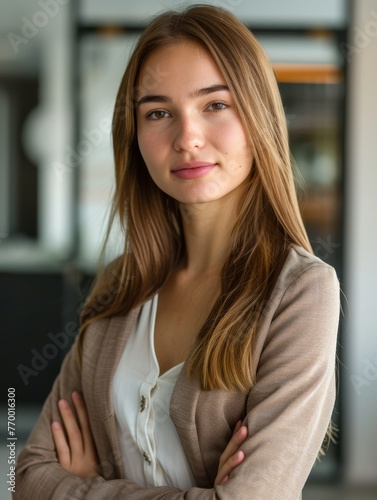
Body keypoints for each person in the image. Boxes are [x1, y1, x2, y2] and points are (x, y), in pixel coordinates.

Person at [14, 4, 340, 499]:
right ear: (136, 136)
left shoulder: (301, 292)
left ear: (259, 117)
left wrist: (85, 488)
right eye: (159, 113)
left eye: (215, 105)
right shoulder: (121, 281)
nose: (187, 138)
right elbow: (29, 475)